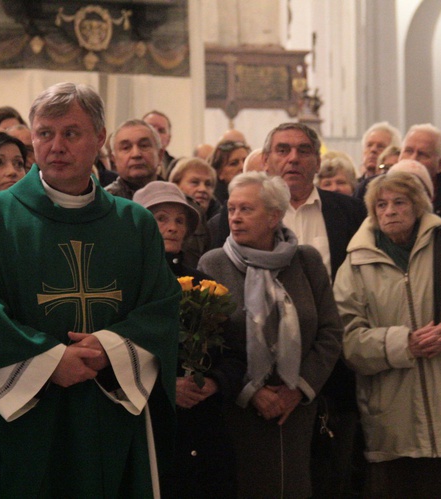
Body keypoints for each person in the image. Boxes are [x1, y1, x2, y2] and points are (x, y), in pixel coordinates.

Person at [0, 82, 180, 497]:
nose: (55, 145)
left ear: (99, 140)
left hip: (107, 406)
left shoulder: (135, 224)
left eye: (71, 133)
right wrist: (49, 361)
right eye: (44, 133)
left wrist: (108, 348)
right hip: (18, 415)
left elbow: (161, 306)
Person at [333, 171, 441, 497]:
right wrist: (404, 344)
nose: (390, 211)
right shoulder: (355, 265)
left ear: (418, 206)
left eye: (399, 202)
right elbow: (347, 340)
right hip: (392, 417)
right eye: (381, 205)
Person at [198, 172, 342, 498]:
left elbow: (330, 332)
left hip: (298, 408)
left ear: (274, 216)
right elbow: (207, 343)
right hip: (238, 410)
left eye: (246, 209)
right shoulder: (214, 264)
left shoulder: (306, 261)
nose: (234, 218)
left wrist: (299, 389)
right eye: (231, 209)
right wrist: (251, 392)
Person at [134, 180, 242, 498]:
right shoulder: (125, 284)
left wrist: (214, 382)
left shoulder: (203, 283)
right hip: (150, 427)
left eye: (180, 220)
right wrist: (167, 384)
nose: (172, 227)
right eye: (161, 218)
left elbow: (235, 352)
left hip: (203, 428)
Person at [169, 157, 221, 267]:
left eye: (208, 184)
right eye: (194, 182)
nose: (202, 189)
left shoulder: (220, 219)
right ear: (175, 185)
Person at [105, 119, 162, 199]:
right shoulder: (105, 203)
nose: (136, 154)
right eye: (126, 148)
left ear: (160, 155)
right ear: (114, 159)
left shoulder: (175, 198)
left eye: (144, 145)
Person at [211, 140, 251, 204]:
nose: (242, 167)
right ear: (219, 173)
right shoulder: (216, 204)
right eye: (234, 163)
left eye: (245, 161)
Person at [143, 110, 174, 179]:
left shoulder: (176, 167)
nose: (155, 134)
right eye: (150, 128)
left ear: (168, 139)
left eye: (161, 130)